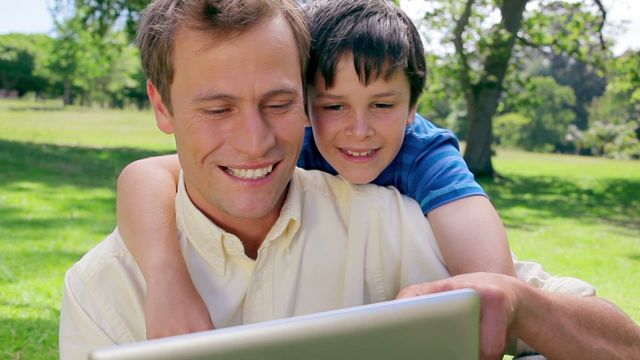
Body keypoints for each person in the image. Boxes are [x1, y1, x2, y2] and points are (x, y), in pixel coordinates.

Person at [59, 0, 640, 359]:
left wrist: (514, 302)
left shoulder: (386, 215)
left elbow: (613, 341)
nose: (256, 141)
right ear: (161, 108)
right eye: (217, 109)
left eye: (279, 103)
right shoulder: (106, 290)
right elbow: (146, 174)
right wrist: (166, 276)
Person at [115, 0, 516, 340]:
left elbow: (495, 280)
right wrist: (167, 281)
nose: (359, 131)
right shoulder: (297, 137)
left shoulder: (423, 152)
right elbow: (145, 175)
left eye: (382, 105)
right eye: (333, 105)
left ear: (412, 107)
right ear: (304, 103)